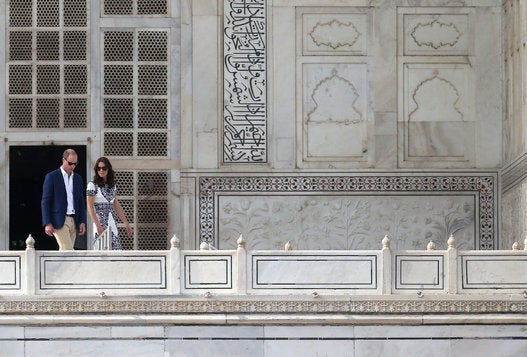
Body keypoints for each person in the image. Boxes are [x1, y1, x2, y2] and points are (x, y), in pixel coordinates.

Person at [41, 149, 87, 250]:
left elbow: (80, 201)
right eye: (70, 163)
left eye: (75, 164)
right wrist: (47, 222)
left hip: (74, 220)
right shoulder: (52, 177)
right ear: (63, 160)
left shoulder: (78, 178)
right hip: (58, 220)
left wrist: (82, 221)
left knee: (64, 254)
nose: (73, 166)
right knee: (69, 251)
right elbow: (45, 201)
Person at [86, 157, 132, 250]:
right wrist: (98, 226)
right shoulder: (92, 185)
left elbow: (116, 206)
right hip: (99, 222)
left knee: (116, 250)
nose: (101, 170)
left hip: (112, 222)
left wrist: (126, 223)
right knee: (102, 251)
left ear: (108, 169)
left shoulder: (112, 185)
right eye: (99, 168)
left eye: (104, 168)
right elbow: (90, 207)